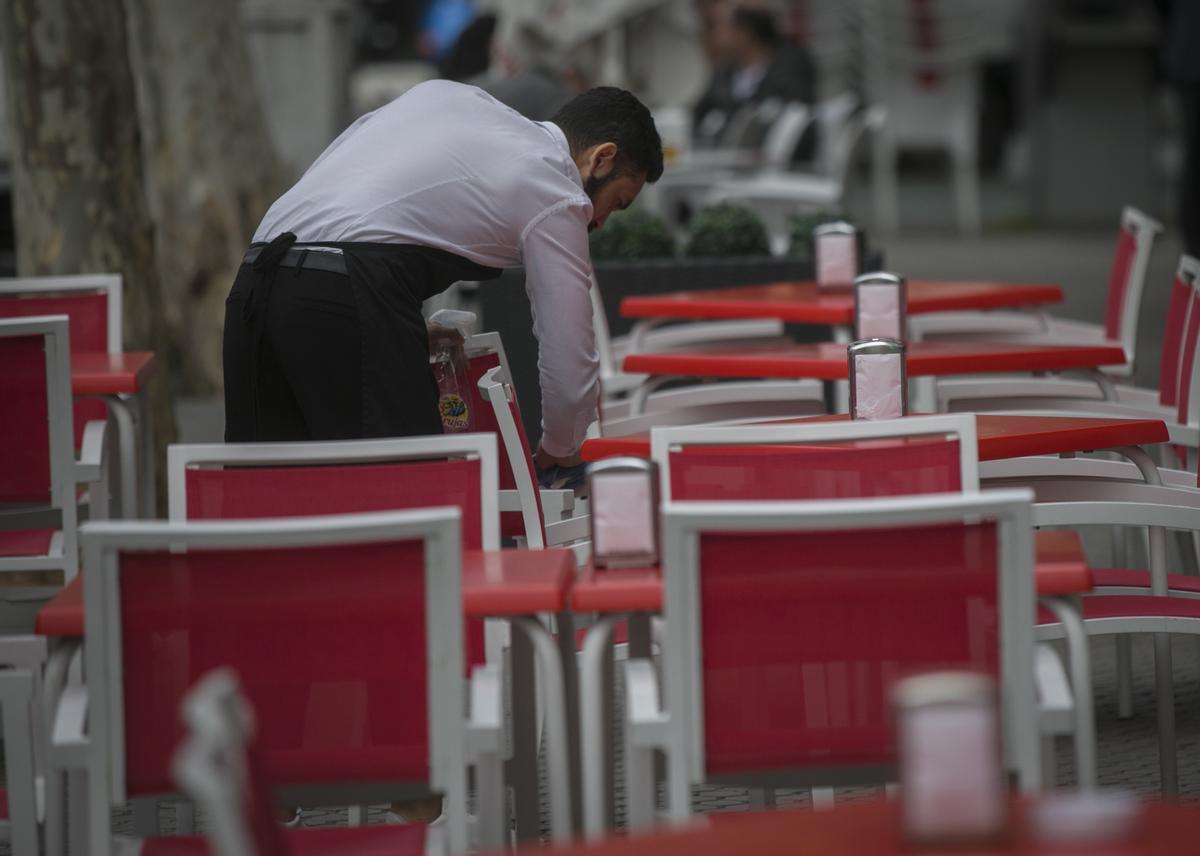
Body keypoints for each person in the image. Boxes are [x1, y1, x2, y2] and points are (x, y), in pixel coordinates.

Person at [224, 82, 663, 476]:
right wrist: (563, 448)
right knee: (408, 503)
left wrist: (395, 325)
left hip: (256, 281)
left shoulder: (452, 99)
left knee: (269, 501)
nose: (601, 222)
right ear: (601, 158)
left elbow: (351, 210)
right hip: (347, 289)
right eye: (617, 202)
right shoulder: (554, 184)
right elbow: (568, 346)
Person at [693, 4, 816, 151]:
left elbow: (798, 122)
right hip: (725, 161)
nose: (715, 35)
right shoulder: (723, 74)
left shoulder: (791, 68)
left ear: (745, 33)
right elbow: (698, 117)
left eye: (720, 27)